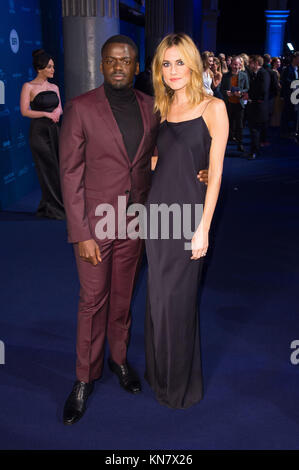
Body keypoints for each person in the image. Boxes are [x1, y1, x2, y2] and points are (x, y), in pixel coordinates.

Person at [59, 34, 210, 424]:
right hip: (96, 224)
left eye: (126, 60)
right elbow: (70, 175)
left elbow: (167, 152)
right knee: (93, 301)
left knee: (123, 298)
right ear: (102, 65)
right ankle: (83, 378)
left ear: (136, 64)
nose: (118, 67)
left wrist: (204, 169)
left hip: (138, 222)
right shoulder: (80, 108)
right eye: (111, 61)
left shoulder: (152, 107)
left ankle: (119, 360)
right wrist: (81, 232)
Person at [144, 33, 229, 409]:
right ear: (158, 70)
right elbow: (156, 161)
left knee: (178, 302)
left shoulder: (214, 108)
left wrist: (203, 228)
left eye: (180, 62)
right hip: (157, 217)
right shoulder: (160, 108)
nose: (173, 70)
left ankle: (178, 385)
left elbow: (217, 172)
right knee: (158, 299)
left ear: (193, 64)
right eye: (166, 63)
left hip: (189, 218)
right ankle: (158, 372)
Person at [20, 49, 65, 219]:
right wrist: (46, 114)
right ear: (41, 68)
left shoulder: (55, 87)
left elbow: (60, 106)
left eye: (53, 67)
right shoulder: (28, 86)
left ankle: (52, 205)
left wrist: (57, 113)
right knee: (47, 169)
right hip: (38, 132)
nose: (53, 70)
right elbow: (25, 111)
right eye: (50, 67)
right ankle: (55, 208)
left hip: (54, 131)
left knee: (58, 167)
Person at [220, 56, 249, 152]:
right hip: (229, 103)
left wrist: (240, 92)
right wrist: (226, 93)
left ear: (240, 65)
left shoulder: (244, 75)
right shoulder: (226, 76)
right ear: (231, 65)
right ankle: (225, 142)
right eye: (234, 64)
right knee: (227, 124)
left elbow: (247, 88)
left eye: (237, 64)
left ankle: (240, 143)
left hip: (239, 104)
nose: (235, 66)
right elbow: (221, 89)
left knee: (240, 125)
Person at [246, 55, 270, 160]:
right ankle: (254, 150)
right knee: (254, 130)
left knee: (255, 130)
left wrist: (250, 96)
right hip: (256, 106)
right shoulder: (256, 74)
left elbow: (263, 90)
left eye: (251, 63)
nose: (249, 65)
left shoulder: (263, 74)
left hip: (259, 108)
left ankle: (254, 151)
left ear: (256, 63)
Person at [280, 51, 299, 138]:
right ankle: (284, 132)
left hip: (297, 97)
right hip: (289, 96)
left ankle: (293, 131)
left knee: (295, 114)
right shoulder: (287, 69)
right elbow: (285, 81)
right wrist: (296, 83)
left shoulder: (297, 69)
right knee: (286, 114)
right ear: (294, 59)